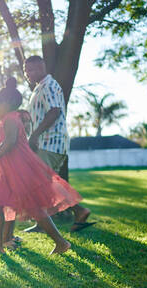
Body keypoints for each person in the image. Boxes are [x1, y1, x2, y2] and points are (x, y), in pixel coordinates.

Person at [0, 77, 81, 255]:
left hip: (19, 174)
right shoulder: (11, 119)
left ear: (6, 104)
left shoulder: (10, 119)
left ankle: (60, 242)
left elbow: (9, 143)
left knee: (33, 208)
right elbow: (7, 150)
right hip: (10, 175)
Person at [23, 55, 93, 233]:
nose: (27, 73)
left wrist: (35, 135)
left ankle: (79, 210)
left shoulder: (50, 86)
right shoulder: (40, 88)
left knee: (41, 183)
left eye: (30, 69)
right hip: (46, 143)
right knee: (44, 183)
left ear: (41, 68)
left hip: (50, 142)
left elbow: (54, 111)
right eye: (26, 70)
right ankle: (45, 222)